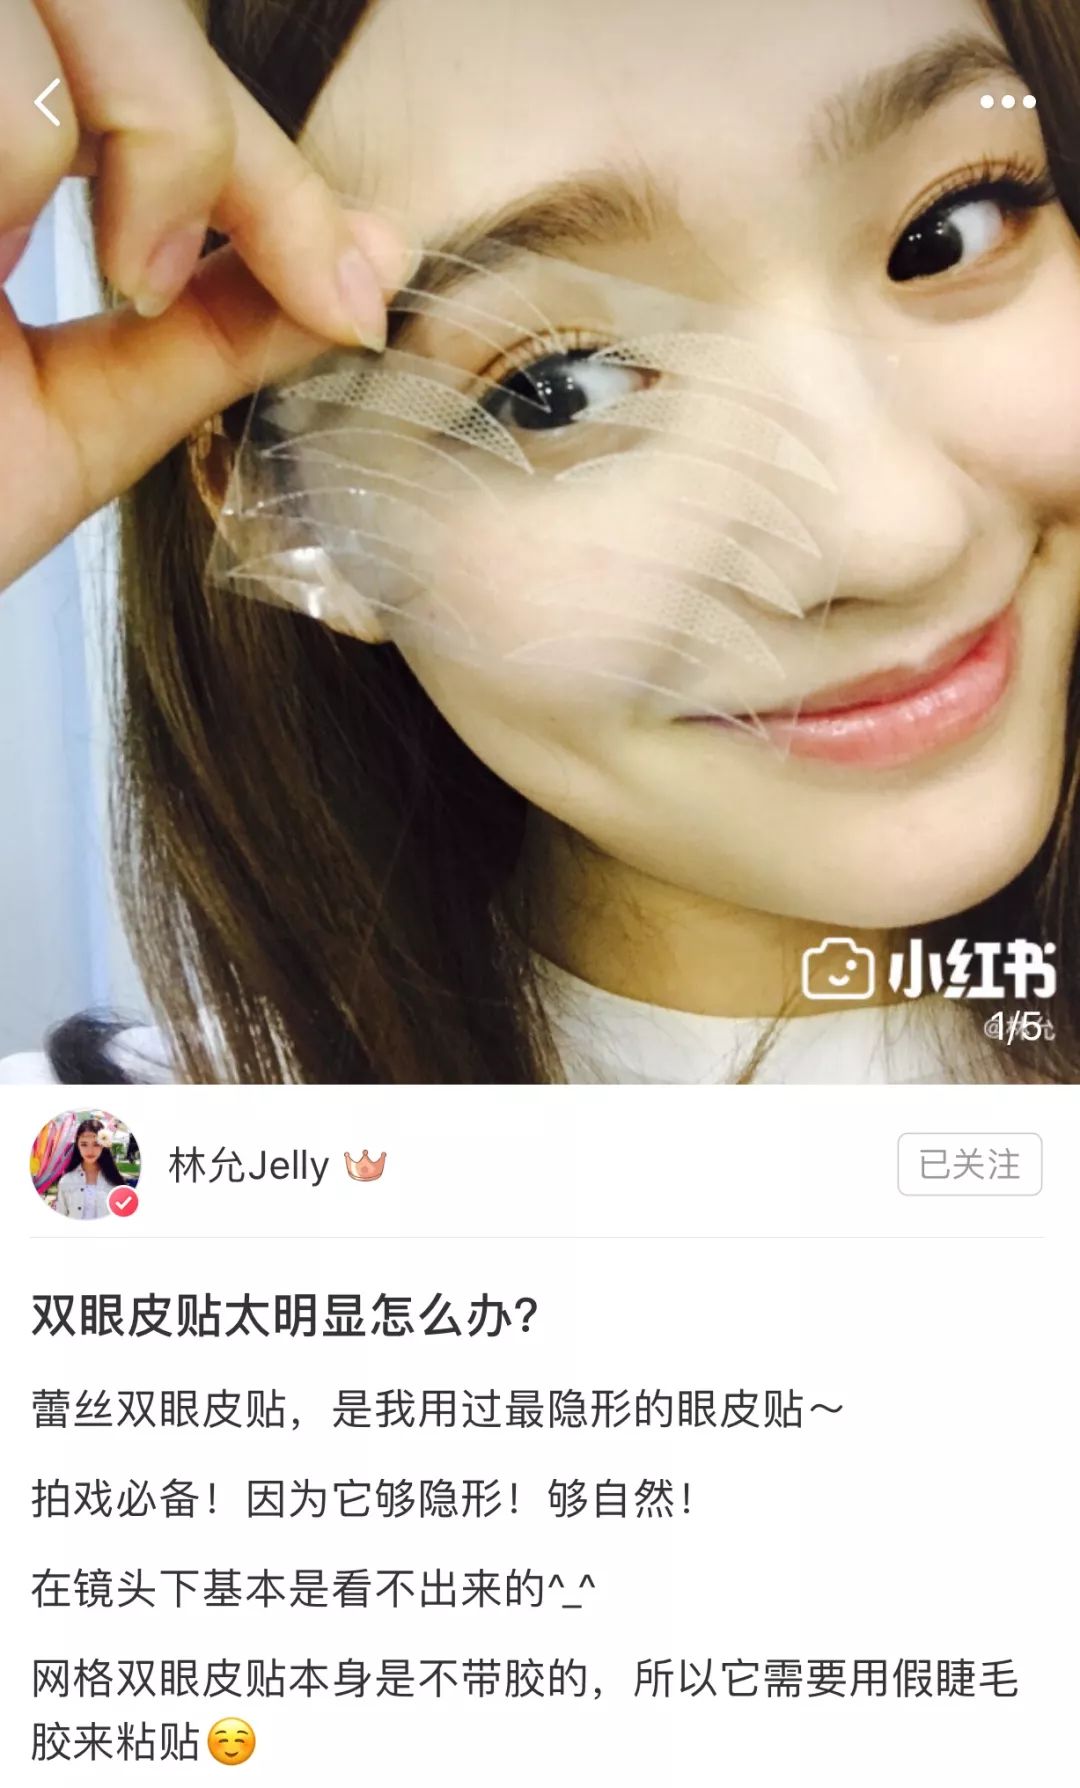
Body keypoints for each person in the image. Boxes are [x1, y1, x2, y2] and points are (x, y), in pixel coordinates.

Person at [1, 0, 1078, 1085]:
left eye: (947, 233)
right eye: (558, 388)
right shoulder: (106, 1164)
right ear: (282, 506)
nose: (899, 539)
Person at [53, 1119, 123, 1220]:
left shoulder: (115, 1181)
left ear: (103, 1145)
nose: (90, 1151)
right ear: (77, 1145)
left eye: (96, 1144)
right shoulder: (66, 1180)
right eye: (84, 1144)